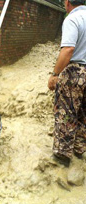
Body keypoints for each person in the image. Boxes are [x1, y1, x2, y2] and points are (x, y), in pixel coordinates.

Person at [48, 0, 86, 166]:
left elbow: (68, 50)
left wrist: (55, 74)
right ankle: (79, 149)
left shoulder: (73, 19)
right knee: (84, 112)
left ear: (68, 2)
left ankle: (63, 155)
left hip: (75, 73)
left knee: (66, 112)